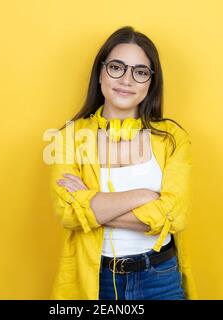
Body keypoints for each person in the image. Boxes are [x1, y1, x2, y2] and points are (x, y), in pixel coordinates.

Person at [49, 26, 197, 300]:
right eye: (117, 67)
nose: (127, 80)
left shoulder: (173, 138)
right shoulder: (69, 138)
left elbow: (173, 217)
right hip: (96, 280)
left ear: (150, 82)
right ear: (100, 72)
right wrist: (144, 196)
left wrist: (91, 204)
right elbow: (67, 213)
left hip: (160, 278)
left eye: (140, 72)